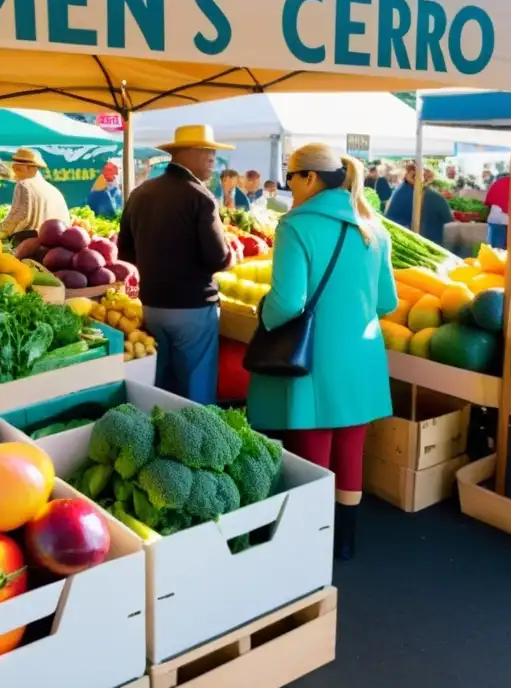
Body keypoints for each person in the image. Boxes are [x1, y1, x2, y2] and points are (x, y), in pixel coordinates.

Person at [246, 143, 396, 561]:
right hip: (362, 359)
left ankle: (309, 547)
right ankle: (344, 542)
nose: (289, 186)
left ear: (309, 178)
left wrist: (263, 312)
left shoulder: (295, 226)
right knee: (349, 450)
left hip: (314, 360)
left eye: (291, 177)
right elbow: (387, 303)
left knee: (312, 452)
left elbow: (287, 304)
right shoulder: (374, 228)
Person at [118, 125, 234, 404]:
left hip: (152, 306)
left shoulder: (141, 192)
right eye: (205, 150)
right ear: (182, 153)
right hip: (193, 309)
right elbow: (218, 258)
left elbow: (124, 251)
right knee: (196, 395)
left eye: (213, 151)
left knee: (160, 388)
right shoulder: (200, 196)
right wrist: (232, 255)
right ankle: (197, 447)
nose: (211, 157)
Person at [0, 147, 70, 244]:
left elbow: (19, 215)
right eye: (14, 168)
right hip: (57, 242)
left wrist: (3, 231)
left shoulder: (24, 185)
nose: (15, 171)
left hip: (31, 241)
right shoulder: (53, 190)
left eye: (19, 169)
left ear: (32, 169)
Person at [384, 163, 453, 246]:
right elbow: (448, 219)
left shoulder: (401, 189)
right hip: (425, 241)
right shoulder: (431, 196)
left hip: (397, 237)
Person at [484, 172, 511, 250]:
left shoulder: (497, 183)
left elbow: (488, 202)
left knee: (493, 250)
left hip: (493, 220)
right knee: (503, 252)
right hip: (507, 222)